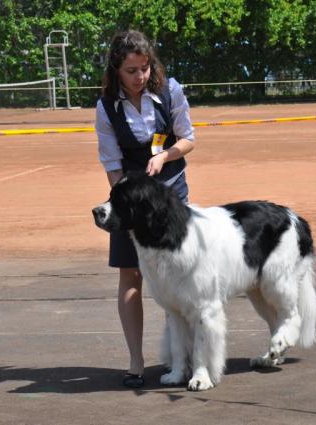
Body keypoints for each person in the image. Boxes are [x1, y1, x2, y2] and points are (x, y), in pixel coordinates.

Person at [95, 30, 195, 388]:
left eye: (144, 68)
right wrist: (127, 197)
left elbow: (188, 139)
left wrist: (165, 156)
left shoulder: (171, 91)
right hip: (128, 200)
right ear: (116, 71)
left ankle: (183, 356)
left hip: (171, 196)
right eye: (131, 71)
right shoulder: (106, 106)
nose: (139, 77)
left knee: (180, 276)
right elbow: (111, 161)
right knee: (130, 275)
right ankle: (136, 361)